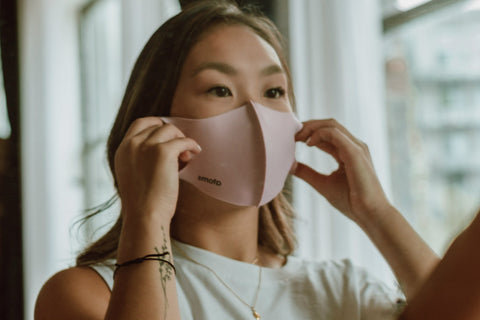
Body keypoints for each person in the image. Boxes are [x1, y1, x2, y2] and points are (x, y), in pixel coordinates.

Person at [34, 1, 440, 319]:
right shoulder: (86, 293)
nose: (257, 116)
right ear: (155, 121)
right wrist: (147, 216)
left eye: (274, 92)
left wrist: (377, 213)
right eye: (220, 90)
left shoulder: (344, 289)